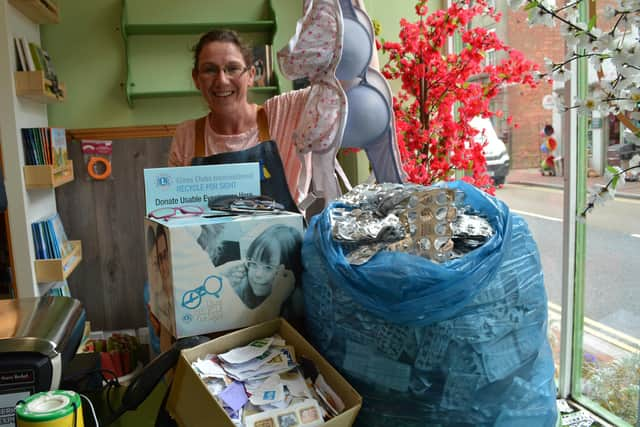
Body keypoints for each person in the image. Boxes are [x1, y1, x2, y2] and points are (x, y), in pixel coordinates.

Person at [168, 29, 310, 202]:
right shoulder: (187, 136)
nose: (221, 80)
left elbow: (334, 88)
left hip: (285, 230)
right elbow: (176, 213)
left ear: (251, 75)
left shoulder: (284, 112)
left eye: (232, 68)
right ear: (196, 78)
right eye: (210, 70)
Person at [217, 224, 302, 310]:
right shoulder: (241, 288)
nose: (258, 274)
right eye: (253, 263)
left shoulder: (299, 303)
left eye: (268, 267)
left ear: (288, 273)